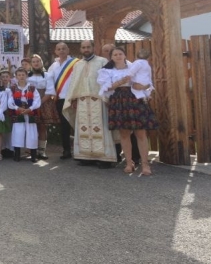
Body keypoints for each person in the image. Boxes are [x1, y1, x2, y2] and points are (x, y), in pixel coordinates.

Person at [99, 47, 158, 176]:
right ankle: (129, 163)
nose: (118, 56)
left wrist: (144, 87)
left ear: (125, 55)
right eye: (115, 54)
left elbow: (147, 81)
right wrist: (122, 81)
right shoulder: (107, 70)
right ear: (112, 57)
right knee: (124, 134)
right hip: (119, 100)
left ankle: (145, 164)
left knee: (140, 133)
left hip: (134, 99)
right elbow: (107, 87)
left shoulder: (135, 67)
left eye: (120, 53)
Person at [63, 40, 115, 168]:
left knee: (101, 127)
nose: (86, 49)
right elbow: (74, 83)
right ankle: (86, 156)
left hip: (99, 100)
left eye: (88, 47)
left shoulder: (102, 61)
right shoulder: (78, 65)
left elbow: (109, 80)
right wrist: (73, 99)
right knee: (83, 128)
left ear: (93, 47)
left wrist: (109, 98)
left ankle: (104, 158)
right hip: (82, 101)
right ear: (81, 49)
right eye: (83, 47)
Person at [44, 42, 79, 159]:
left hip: (73, 98)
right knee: (64, 126)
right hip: (59, 99)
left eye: (64, 48)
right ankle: (66, 150)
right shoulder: (53, 66)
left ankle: (81, 151)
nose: (61, 51)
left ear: (68, 50)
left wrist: (76, 97)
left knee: (77, 124)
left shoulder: (76, 63)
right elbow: (49, 83)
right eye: (59, 49)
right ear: (56, 51)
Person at [9, 68, 41, 162]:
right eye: (19, 75)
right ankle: (17, 154)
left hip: (30, 112)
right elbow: (10, 101)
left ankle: (33, 155)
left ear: (26, 76)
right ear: (16, 77)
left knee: (32, 133)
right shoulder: (13, 88)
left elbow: (37, 100)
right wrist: (17, 108)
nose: (21, 77)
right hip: (18, 112)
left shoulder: (32, 88)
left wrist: (30, 109)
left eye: (23, 75)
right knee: (18, 132)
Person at [29, 55, 54, 160]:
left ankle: (42, 150)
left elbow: (50, 91)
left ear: (41, 62)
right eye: (34, 61)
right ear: (31, 64)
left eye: (38, 61)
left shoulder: (48, 75)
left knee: (42, 127)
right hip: (30, 103)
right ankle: (32, 149)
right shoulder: (27, 76)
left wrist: (39, 102)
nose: (36, 63)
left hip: (44, 102)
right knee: (32, 127)